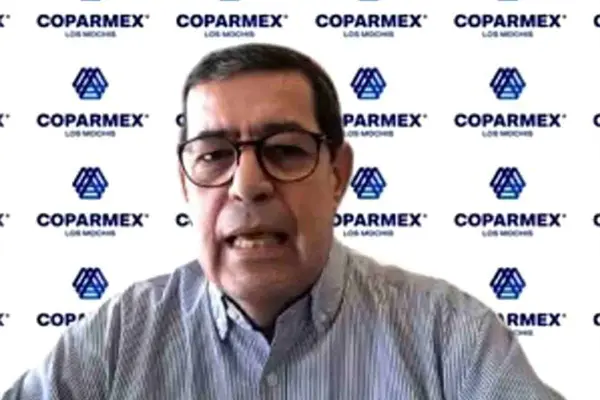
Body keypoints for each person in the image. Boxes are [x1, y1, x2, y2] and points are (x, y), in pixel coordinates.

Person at [2, 43, 564, 400]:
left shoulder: (450, 338)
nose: (247, 184)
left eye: (286, 150)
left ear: (337, 173)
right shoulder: (118, 339)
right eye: (214, 155)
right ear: (185, 183)